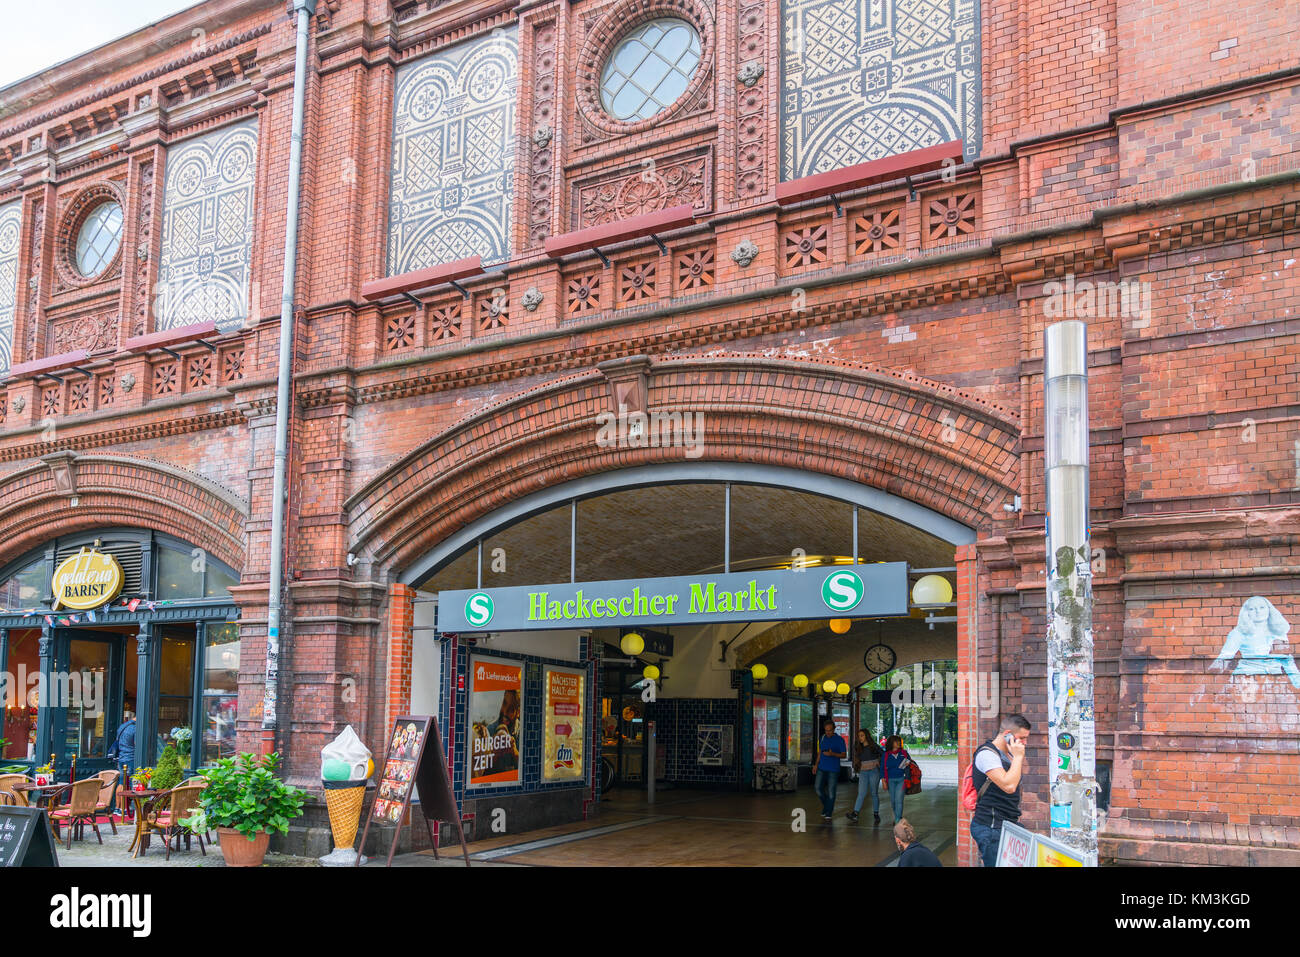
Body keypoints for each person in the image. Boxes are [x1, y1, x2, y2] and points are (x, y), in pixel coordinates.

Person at [969, 713, 1031, 867]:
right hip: (990, 827)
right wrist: (1018, 758)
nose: (1025, 743)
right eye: (1021, 738)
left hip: (1007, 823)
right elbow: (1009, 786)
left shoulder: (1009, 754)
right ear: (1007, 735)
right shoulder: (987, 755)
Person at [813, 718, 846, 822]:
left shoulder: (840, 740)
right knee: (818, 788)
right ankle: (827, 806)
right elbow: (820, 753)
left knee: (831, 792)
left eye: (830, 730)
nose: (828, 732)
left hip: (833, 769)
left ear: (834, 729)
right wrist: (815, 765)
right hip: (821, 767)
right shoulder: (823, 738)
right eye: (826, 730)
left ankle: (828, 812)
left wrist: (833, 754)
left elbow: (844, 755)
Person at [106, 710, 136, 820]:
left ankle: (118, 808)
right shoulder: (135, 728)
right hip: (131, 758)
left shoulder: (123, 726)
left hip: (121, 757)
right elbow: (136, 743)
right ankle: (124, 809)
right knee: (127, 783)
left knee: (121, 783)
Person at [847, 729, 882, 824]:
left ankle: (876, 814)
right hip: (863, 772)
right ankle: (855, 814)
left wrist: (878, 763)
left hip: (874, 771)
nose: (860, 738)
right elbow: (857, 759)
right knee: (861, 793)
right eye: (859, 736)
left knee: (874, 793)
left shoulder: (874, 746)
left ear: (867, 736)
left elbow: (883, 755)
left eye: (862, 735)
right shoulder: (858, 747)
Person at [881, 735, 911, 822]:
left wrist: (908, 763)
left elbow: (909, 762)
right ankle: (897, 816)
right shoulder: (886, 755)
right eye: (896, 741)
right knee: (893, 801)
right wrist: (883, 781)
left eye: (899, 741)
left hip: (901, 779)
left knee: (899, 800)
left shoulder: (904, 753)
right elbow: (882, 768)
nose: (898, 743)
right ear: (891, 743)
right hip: (890, 780)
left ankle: (898, 819)